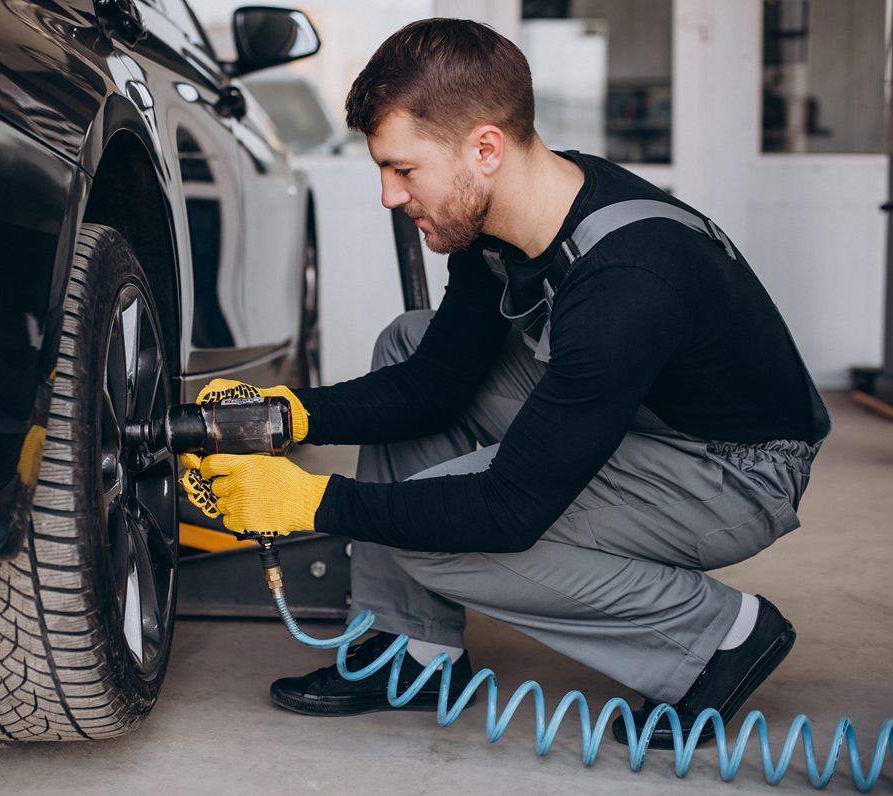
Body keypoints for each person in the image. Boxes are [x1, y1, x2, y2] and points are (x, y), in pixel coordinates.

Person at [180, 18, 830, 748]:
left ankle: (715, 636)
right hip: (649, 418)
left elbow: (510, 509)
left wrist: (310, 500)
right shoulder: (501, 221)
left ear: (484, 148)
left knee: (434, 535)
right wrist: (283, 414)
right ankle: (415, 648)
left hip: (733, 472)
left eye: (403, 170)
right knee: (411, 339)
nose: (390, 197)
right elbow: (433, 383)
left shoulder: (627, 281)